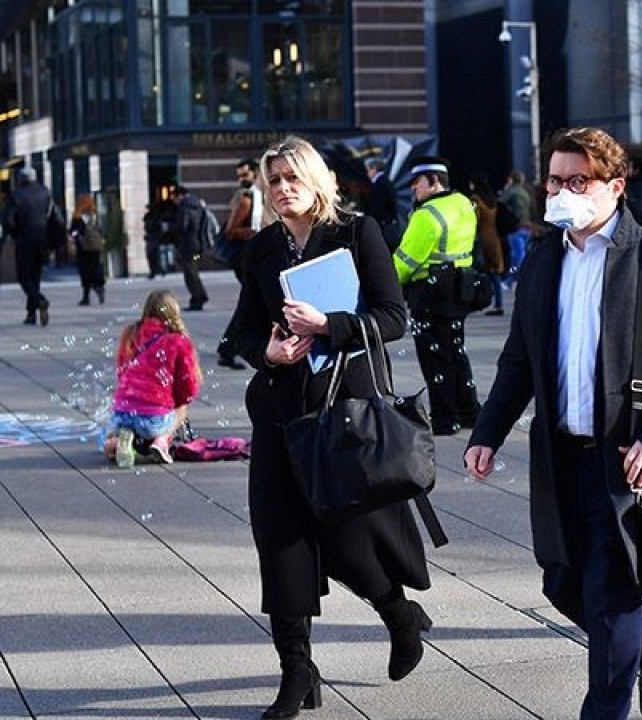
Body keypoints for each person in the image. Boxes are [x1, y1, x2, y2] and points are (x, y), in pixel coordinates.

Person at [464, 126, 642, 720]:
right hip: (561, 457)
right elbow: (520, 360)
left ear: (615, 186)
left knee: (611, 598)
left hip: (627, 462)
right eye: (555, 180)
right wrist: (487, 431)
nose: (562, 192)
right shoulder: (542, 261)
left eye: (577, 181)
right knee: (562, 582)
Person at [233, 136, 433, 718]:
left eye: (292, 177)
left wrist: (330, 325)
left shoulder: (357, 233)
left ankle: (399, 613)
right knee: (280, 539)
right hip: (279, 414)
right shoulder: (264, 249)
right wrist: (268, 352)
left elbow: (393, 317)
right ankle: (297, 670)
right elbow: (241, 332)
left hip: (344, 412)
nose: (282, 189)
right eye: (273, 181)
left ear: (317, 179)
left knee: (349, 541)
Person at [392, 156, 482, 435]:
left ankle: (445, 417)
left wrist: (385, 282)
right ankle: (468, 411)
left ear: (433, 181)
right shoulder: (464, 204)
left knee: (435, 357)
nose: (413, 190)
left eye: (416, 183)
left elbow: (406, 261)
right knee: (456, 351)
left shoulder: (426, 215)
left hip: (430, 292)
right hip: (461, 287)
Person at [103, 290, 201, 468]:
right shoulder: (178, 340)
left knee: (124, 425)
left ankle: (117, 442)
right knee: (180, 409)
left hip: (121, 413)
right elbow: (188, 386)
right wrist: (177, 402)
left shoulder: (131, 332)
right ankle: (161, 441)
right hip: (153, 419)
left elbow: (122, 370)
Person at [215, 159, 265, 370]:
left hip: (253, 258)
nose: (241, 180)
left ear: (255, 174)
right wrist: (255, 233)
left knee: (253, 304)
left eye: (244, 175)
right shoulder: (246, 199)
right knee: (249, 305)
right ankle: (227, 349)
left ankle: (233, 348)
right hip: (246, 259)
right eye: (239, 176)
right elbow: (231, 231)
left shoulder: (259, 196)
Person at [8, 168, 53, 325]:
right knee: (35, 276)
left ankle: (40, 300)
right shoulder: (45, 193)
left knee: (24, 277)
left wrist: (14, 234)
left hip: (25, 239)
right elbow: (50, 214)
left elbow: (9, 220)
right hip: (42, 239)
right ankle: (31, 314)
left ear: (22, 179)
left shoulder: (17, 195)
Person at [467, 172, 508, 316]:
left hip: (481, 238)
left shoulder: (475, 199)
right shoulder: (492, 199)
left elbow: (472, 218)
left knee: (475, 271)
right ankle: (498, 303)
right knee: (494, 273)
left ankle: (473, 301)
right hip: (494, 237)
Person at [173, 185, 210, 311]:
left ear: (179, 196)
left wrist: (171, 228)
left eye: (175, 199)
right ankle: (199, 296)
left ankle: (198, 297)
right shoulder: (198, 205)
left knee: (190, 273)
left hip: (189, 246)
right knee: (193, 271)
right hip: (198, 246)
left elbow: (183, 226)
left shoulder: (185, 207)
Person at [69, 194, 107, 306]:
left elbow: (73, 231)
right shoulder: (94, 216)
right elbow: (101, 230)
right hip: (95, 248)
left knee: (84, 271)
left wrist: (74, 236)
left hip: (83, 248)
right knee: (95, 268)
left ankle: (86, 296)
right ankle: (98, 286)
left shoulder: (77, 217)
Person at [364, 156, 402, 250]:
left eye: (368, 170)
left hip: (384, 226)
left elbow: (378, 208)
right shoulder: (385, 181)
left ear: (374, 169)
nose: (367, 174)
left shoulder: (379, 184)